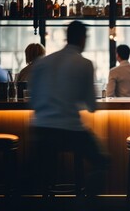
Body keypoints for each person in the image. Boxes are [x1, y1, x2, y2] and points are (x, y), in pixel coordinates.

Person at [29, 21, 110, 204]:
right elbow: (91, 106)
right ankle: (87, 202)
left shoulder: (43, 62)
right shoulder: (85, 64)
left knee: (36, 173)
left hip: (40, 129)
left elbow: (33, 101)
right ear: (82, 39)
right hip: (70, 130)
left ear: (67, 36)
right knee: (102, 161)